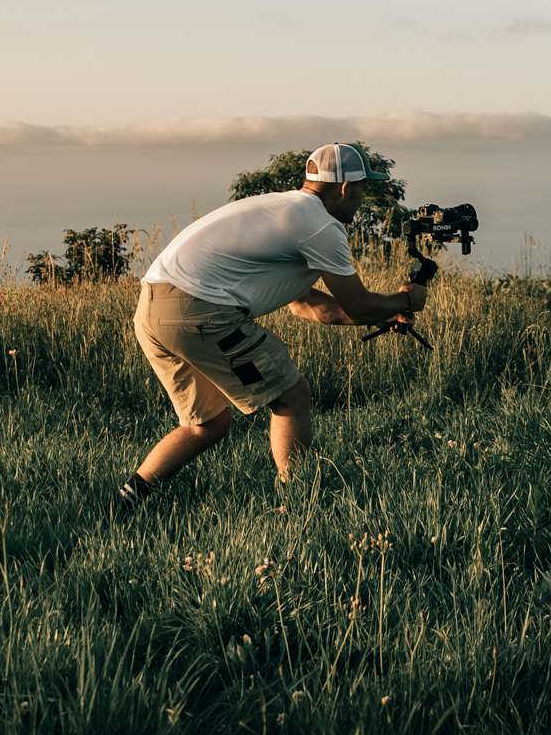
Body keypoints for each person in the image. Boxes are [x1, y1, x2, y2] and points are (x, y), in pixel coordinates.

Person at [116, 142, 424, 514]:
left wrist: (381, 314)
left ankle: (127, 502)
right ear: (346, 188)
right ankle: (300, 507)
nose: (362, 199)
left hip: (152, 308)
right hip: (199, 309)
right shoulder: (319, 225)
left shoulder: (279, 208)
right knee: (291, 396)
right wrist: (406, 300)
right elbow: (357, 304)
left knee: (207, 423)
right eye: (362, 189)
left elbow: (307, 304)